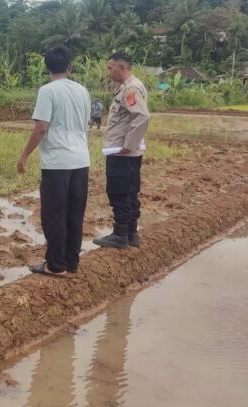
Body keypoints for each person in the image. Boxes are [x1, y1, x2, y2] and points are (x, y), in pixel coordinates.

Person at [17, 45, 91, 276]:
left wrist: (24, 155)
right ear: (70, 67)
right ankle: (71, 262)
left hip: (57, 163)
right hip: (81, 160)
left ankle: (56, 265)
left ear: (46, 67)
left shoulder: (48, 91)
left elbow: (41, 128)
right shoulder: (82, 91)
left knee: (54, 215)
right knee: (74, 214)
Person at [93, 51, 151, 249]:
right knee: (130, 191)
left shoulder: (131, 89)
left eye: (110, 68)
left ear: (122, 67)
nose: (108, 72)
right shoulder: (130, 87)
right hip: (128, 152)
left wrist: (129, 144)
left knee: (119, 191)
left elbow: (142, 116)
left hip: (122, 152)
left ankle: (120, 236)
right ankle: (131, 233)